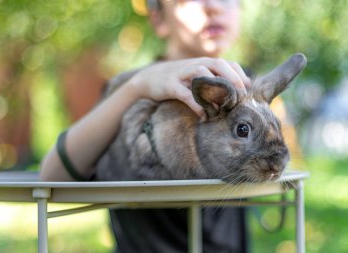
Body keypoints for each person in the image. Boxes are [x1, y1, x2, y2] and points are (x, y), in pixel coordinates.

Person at [41, 0, 250, 252]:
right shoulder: (130, 90)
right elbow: (52, 177)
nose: (214, 7)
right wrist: (137, 86)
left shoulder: (247, 87)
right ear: (158, 19)